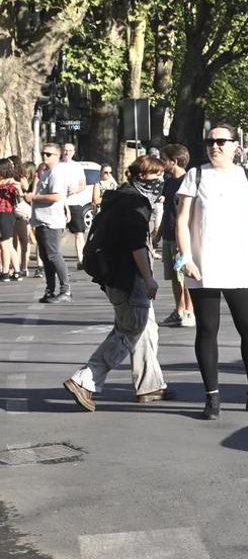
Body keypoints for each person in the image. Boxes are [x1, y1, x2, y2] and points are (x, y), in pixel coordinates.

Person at [174, 124, 248, 418]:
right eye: (210, 141)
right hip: (204, 267)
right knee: (208, 330)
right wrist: (186, 258)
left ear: (236, 145)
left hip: (239, 266)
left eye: (221, 141)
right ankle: (212, 397)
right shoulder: (195, 176)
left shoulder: (247, 177)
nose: (215, 146)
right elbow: (182, 221)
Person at [62, 156, 172, 411]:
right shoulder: (135, 203)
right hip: (127, 277)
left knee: (145, 327)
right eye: (157, 177)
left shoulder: (119, 196)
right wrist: (149, 278)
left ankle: (150, 385)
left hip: (113, 274)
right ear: (142, 177)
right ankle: (85, 380)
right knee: (129, 330)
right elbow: (136, 246)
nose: (160, 182)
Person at [24, 143, 73, 303]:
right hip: (41, 220)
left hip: (51, 221)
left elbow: (56, 197)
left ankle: (65, 290)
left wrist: (34, 198)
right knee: (46, 257)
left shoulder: (56, 174)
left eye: (48, 154)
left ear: (57, 156)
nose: (44, 156)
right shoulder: (46, 173)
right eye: (43, 153)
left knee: (54, 255)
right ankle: (50, 290)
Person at [156, 145, 195, 327]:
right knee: (173, 277)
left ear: (174, 161)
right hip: (169, 235)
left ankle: (189, 312)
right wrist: (158, 235)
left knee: (183, 277)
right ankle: (179, 310)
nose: (163, 164)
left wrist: (185, 241)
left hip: (183, 238)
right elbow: (167, 212)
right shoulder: (169, 182)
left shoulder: (189, 181)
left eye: (165, 160)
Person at [60, 142, 91, 267]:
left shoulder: (77, 167)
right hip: (59, 203)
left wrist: (75, 190)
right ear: (62, 151)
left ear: (74, 152)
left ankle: (81, 260)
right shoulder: (57, 165)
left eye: (70, 150)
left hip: (74, 203)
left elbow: (83, 185)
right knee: (58, 233)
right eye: (65, 150)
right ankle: (55, 260)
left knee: (79, 233)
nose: (67, 153)